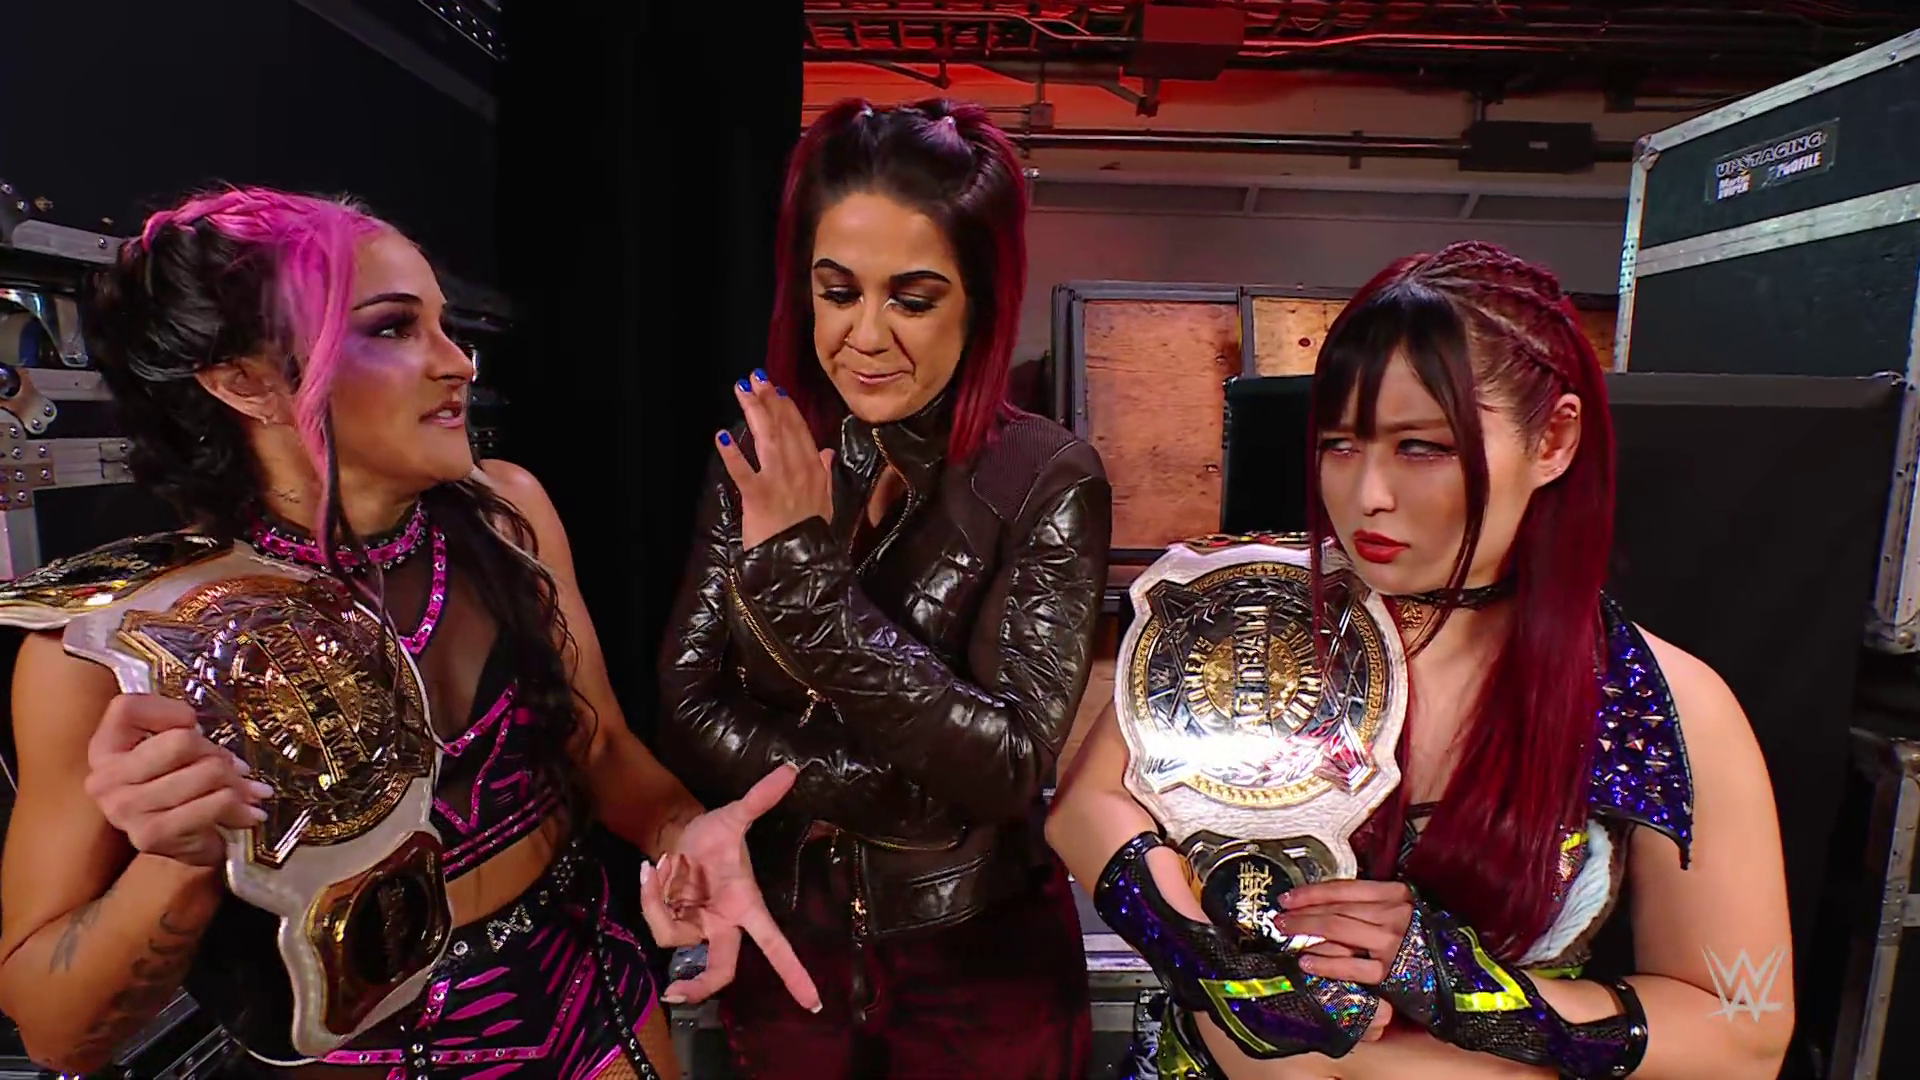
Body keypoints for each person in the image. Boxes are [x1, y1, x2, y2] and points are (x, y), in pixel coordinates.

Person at [0, 188, 819, 1079]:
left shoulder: (508, 514)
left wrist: (681, 831)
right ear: (244, 382)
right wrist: (178, 862)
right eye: (392, 328)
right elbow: (56, 1031)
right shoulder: (121, 650)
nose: (458, 362)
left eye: (444, 325)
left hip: (595, 1006)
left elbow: (601, 748)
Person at [1046, 241, 1795, 1080]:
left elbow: (1745, 1029)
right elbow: (1089, 805)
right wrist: (1215, 960)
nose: (1367, 495)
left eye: (1422, 448)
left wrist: (1465, 990)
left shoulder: (1658, 699)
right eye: (1340, 444)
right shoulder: (1250, 613)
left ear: (1553, 439)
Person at [657, 98, 1112, 1078]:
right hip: (790, 951)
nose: (865, 336)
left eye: (911, 299)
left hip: (983, 967)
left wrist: (806, 591)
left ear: (979, 300)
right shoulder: (766, 450)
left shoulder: (1045, 475)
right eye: (837, 292)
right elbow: (688, 703)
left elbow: (1006, 765)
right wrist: (905, 800)